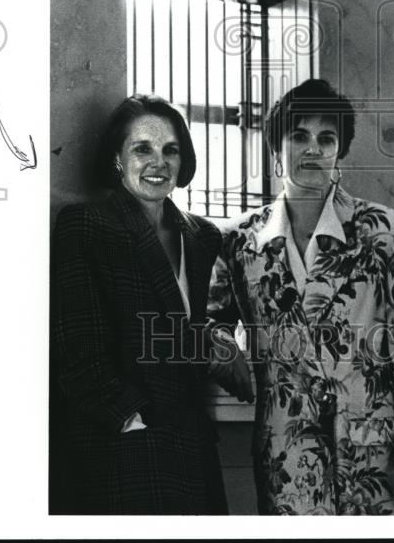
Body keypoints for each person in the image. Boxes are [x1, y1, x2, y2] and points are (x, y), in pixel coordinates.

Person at [207, 78, 394, 515]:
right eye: (299, 136)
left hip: (383, 457)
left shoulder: (390, 233)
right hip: (289, 458)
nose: (312, 149)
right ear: (277, 148)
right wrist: (223, 347)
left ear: (339, 152)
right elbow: (212, 318)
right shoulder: (236, 241)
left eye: (326, 138)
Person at [50, 94, 250, 514]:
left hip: (192, 446)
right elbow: (77, 352)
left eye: (170, 150)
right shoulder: (85, 227)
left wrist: (220, 340)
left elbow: (206, 321)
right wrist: (131, 423)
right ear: (118, 159)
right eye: (142, 148)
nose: (158, 162)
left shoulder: (203, 236)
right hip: (121, 447)